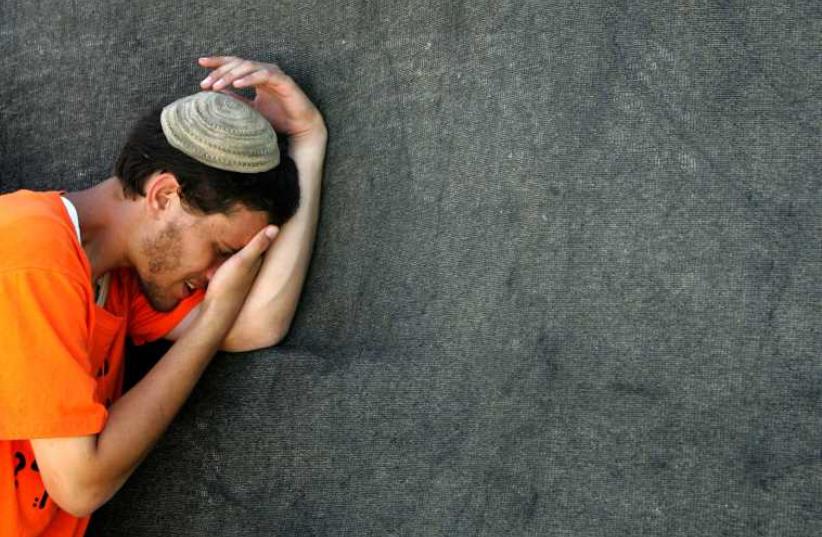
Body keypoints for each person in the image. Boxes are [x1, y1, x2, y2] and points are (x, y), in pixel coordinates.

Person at [0, 55, 327, 536]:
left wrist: (307, 139)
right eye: (220, 250)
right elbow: (79, 484)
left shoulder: (113, 275)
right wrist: (212, 320)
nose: (220, 276)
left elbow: (258, 322)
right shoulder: (28, 254)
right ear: (163, 196)